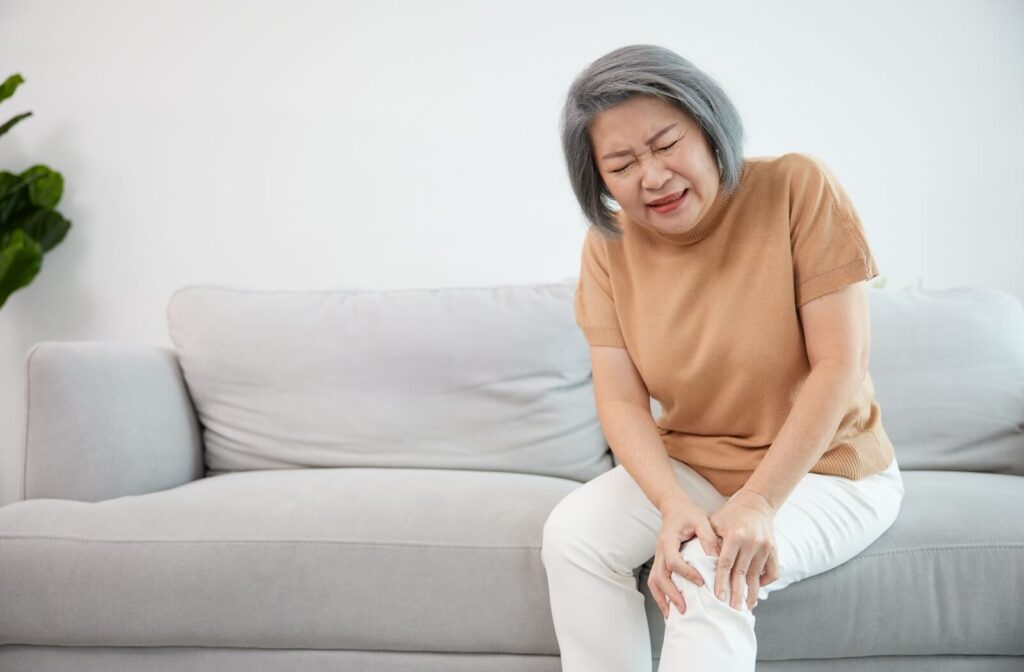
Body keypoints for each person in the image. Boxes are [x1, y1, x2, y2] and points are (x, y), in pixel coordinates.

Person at [540, 44, 906, 672]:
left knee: (709, 569)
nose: (652, 177)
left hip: (828, 472)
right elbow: (621, 400)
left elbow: (840, 365)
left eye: (666, 144)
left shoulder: (796, 188)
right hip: (697, 466)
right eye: (621, 164)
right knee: (573, 535)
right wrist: (672, 504)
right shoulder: (609, 246)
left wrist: (759, 501)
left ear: (708, 126)